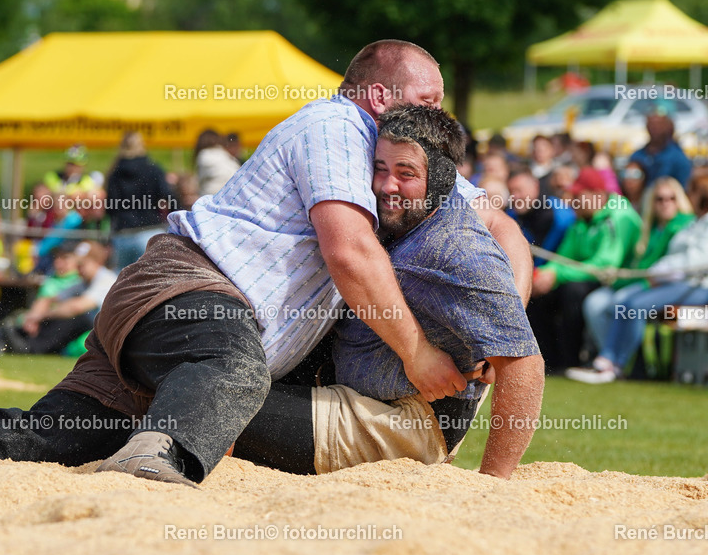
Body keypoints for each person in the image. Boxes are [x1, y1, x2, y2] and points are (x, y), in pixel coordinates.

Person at [0, 39, 533, 487]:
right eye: (427, 100)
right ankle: (157, 463)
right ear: (375, 95)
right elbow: (349, 250)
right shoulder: (335, 125)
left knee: (42, 441)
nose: (440, 119)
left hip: (175, 330)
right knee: (237, 361)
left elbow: (505, 230)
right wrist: (423, 354)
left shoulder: (401, 156)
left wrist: (507, 319)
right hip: (190, 293)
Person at [233, 106, 543, 479]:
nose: (387, 186)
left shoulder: (458, 248)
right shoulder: (407, 221)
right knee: (201, 383)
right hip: (360, 400)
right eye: (380, 169)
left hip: (402, 425)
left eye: (405, 174)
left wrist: (494, 482)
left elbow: (525, 366)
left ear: (443, 177)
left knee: (217, 409)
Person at [566, 173, 708, 384]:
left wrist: (659, 270)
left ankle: (616, 364)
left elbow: (696, 261)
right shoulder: (694, 224)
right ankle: (608, 361)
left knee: (632, 305)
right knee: (625, 302)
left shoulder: (693, 223)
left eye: (691, 192)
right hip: (676, 282)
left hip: (696, 286)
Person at [528, 167, 642, 371]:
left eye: (579, 195)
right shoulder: (582, 217)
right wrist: (547, 273)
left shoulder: (619, 216)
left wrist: (556, 273)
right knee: (538, 293)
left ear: (597, 195)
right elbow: (563, 256)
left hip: (621, 283)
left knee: (573, 292)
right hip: (595, 280)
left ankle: (571, 361)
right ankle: (547, 361)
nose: (573, 200)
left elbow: (605, 265)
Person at [5, 242, 117, 355]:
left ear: (97, 262)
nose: (78, 269)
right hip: (92, 331)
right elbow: (49, 299)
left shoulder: (107, 280)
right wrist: (34, 317)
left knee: (75, 317)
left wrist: (41, 316)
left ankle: (32, 348)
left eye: (82, 265)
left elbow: (77, 307)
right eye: (77, 265)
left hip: (107, 334)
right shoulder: (84, 282)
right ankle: (6, 339)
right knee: (61, 313)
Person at [105, 132, 176, 269]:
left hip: (123, 234)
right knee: (152, 280)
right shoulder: (153, 169)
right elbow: (169, 197)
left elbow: (110, 208)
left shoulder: (115, 173)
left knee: (123, 283)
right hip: (149, 232)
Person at [507, 168, 576, 265]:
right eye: (511, 191)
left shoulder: (560, 215)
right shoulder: (511, 215)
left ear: (535, 186)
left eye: (519, 190)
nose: (514, 196)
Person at [629, 112, 692, 190]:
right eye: (651, 125)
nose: (655, 128)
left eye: (659, 125)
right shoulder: (637, 156)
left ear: (668, 127)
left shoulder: (678, 158)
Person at [193, 129, 240, 196]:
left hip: (214, 194)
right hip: (235, 191)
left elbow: (200, 182)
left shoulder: (203, 155)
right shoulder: (225, 154)